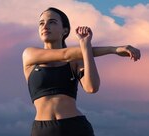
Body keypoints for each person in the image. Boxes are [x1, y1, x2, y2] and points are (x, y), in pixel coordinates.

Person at [22, 7, 141, 136]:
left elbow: (92, 87)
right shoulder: (30, 55)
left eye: (52, 22)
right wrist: (113, 50)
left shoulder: (76, 61)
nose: (45, 26)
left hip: (75, 127)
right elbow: (65, 54)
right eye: (41, 23)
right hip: (42, 130)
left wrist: (86, 46)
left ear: (65, 30)